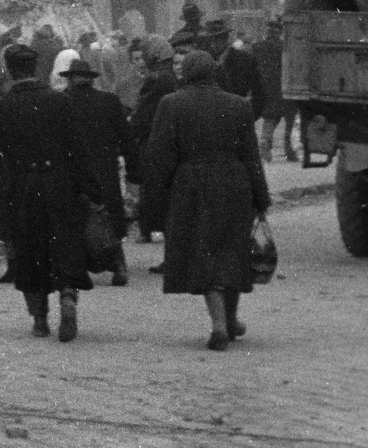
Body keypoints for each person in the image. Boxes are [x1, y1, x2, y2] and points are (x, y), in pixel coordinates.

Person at [143, 48, 272, 350]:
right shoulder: (239, 105)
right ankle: (231, 318)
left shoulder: (171, 104)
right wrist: (261, 198)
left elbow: (159, 155)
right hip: (235, 184)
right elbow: (252, 157)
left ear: (185, 73)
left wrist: (157, 196)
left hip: (192, 185)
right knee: (232, 250)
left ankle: (218, 325)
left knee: (204, 253)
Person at [0, 42, 98, 342]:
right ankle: (68, 294)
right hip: (59, 184)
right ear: (35, 68)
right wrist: (90, 188)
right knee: (64, 243)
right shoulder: (60, 101)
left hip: (20, 189)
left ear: (9, 70)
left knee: (29, 250)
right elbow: (77, 149)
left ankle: (40, 318)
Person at [59, 55, 138, 286]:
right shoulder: (110, 101)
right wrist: (134, 172)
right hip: (105, 170)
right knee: (110, 217)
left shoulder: (61, 101)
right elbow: (127, 139)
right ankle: (118, 266)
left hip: (72, 171)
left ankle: (80, 268)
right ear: (91, 80)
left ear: (71, 79)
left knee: (76, 219)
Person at [130, 34, 179, 261]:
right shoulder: (171, 77)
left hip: (153, 142)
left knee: (154, 192)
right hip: (171, 142)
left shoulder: (156, 79)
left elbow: (143, 114)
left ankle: (155, 234)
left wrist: (132, 129)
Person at [203, 19, 264, 123]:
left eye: (218, 39)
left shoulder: (246, 60)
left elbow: (259, 94)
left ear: (226, 38)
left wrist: (248, 119)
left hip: (238, 120)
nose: (214, 44)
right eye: (211, 40)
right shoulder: (205, 60)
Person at [252, 20, 296, 162]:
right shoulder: (284, 47)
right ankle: (289, 149)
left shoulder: (257, 46)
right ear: (279, 32)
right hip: (284, 86)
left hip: (265, 87)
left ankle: (265, 140)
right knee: (289, 118)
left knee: (270, 117)